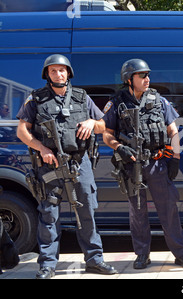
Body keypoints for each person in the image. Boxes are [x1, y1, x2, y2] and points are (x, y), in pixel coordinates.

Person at [16, 54, 117, 279]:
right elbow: (22, 130)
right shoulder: (36, 98)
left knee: (87, 212)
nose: (58, 74)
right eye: (53, 71)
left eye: (62, 70)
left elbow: (103, 125)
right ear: (47, 74)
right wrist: (41, 148)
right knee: (49, 215)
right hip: (49, 165)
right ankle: (48, 265)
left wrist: (93, 123)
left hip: (79, 162)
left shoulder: (82, 97)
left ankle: (94, 260)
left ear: (68, 73)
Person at [102, 59, 183, 269]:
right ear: (129, 79)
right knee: (137, 213)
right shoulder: (117, 102)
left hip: (157, 163)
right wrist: (119, 147)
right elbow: (107, 135)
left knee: (169, 210)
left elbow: (173, 131)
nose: (147, 79)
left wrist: (175, 158)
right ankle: (142, 254)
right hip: (131, 165)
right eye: (142, 76)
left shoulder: (158, 100)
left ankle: (181, 254)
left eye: (148, 75)